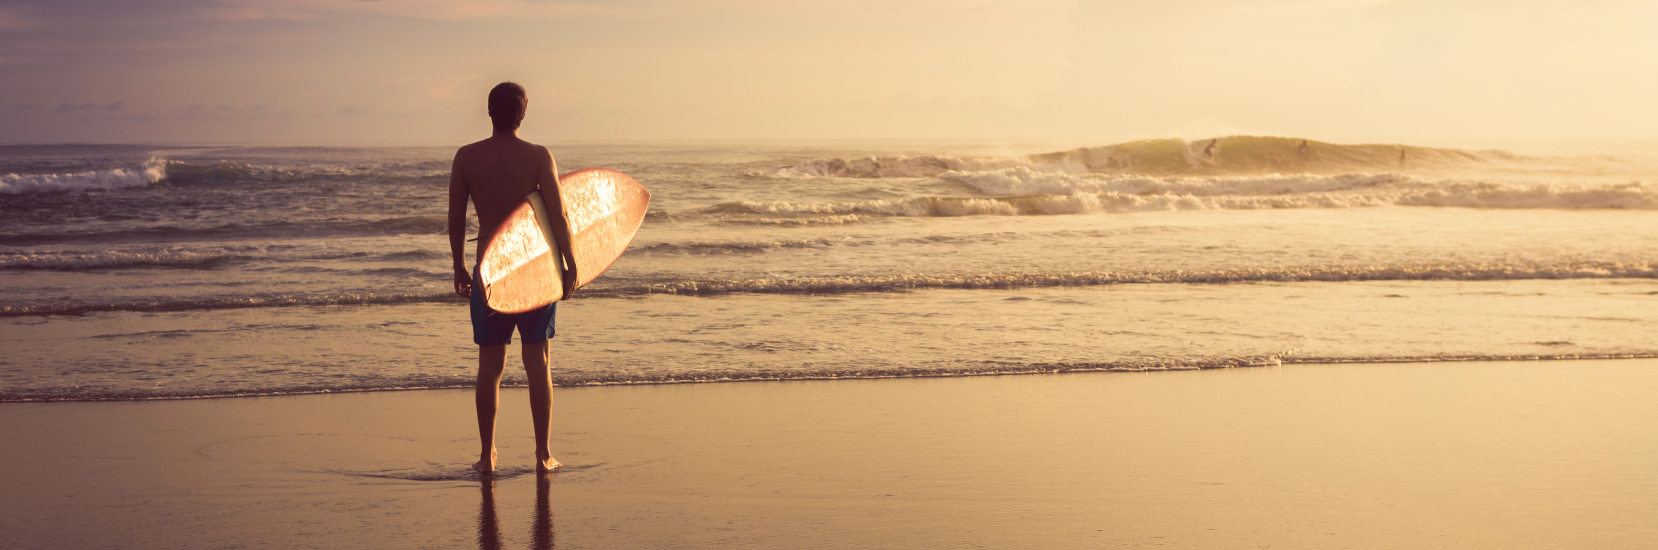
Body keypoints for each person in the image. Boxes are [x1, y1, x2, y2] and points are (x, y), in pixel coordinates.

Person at [447, 81, 579, 475]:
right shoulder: (538, 156)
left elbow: (455, 218)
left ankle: (487, 455)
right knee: (537, 361)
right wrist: (570, 260)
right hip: (533, 270)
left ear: (490, 113)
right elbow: (558, 215)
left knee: (490, 366)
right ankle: (543, 455)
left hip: (489, 269)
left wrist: (458, 265)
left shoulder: (466, 157)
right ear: (522, 115)